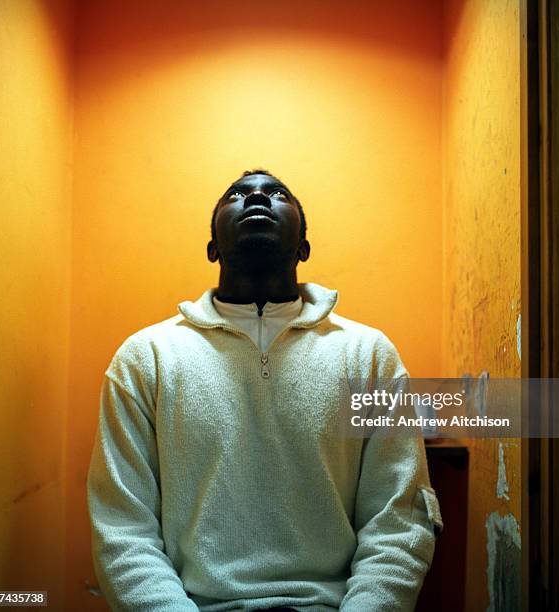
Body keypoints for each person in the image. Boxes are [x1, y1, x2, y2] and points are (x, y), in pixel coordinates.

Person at [87, 169, 443, 612]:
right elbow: (123, 529)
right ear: (212, 248)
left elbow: (398, 522)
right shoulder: (147, 358)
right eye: (236, 195)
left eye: (277, 194)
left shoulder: (367, 355)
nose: (256, 197)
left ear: (304, 247)